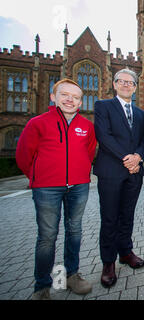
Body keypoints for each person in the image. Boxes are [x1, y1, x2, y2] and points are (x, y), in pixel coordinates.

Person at [16, 79, 97, 300]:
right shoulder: (37, 123)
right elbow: (24, 155)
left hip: (78, 187)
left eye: (75, 96)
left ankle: (71, 275)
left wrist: (80, 173)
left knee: (74, 232)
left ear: (80, 101)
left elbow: (89, 153)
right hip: (47, 188)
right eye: (65, 95)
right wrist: (37, 176)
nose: (70, 99)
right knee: (47, 237)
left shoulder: (86, 126)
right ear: (54, 97)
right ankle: (42, 286)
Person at [94, 69, 144, 288]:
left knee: (127, 216)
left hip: (134, 173)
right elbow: (103, 136)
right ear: (114, 84)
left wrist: (139, 156)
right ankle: (108, 263)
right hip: (111, 171)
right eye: (122, 81)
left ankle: (125, 252)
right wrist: (128, 159)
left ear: (135, 87)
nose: (126, 85)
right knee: (109, 218)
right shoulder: (103, 106)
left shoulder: (140, 113)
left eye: (130, 82)